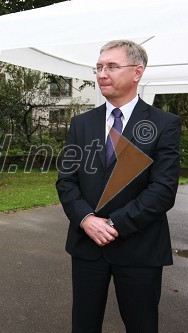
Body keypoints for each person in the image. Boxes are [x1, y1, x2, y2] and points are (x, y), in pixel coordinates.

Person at [56, 40, 181, 333]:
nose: (101, 73)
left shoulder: (164, 124)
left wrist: (113, 224)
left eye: (111, 66)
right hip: (87, 247)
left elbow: (163, 190)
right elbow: (67, 180)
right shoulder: (81, 123)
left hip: (140, 248)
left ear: (137, 72)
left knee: (141, 325)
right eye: (98, 67)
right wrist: (86, 219)